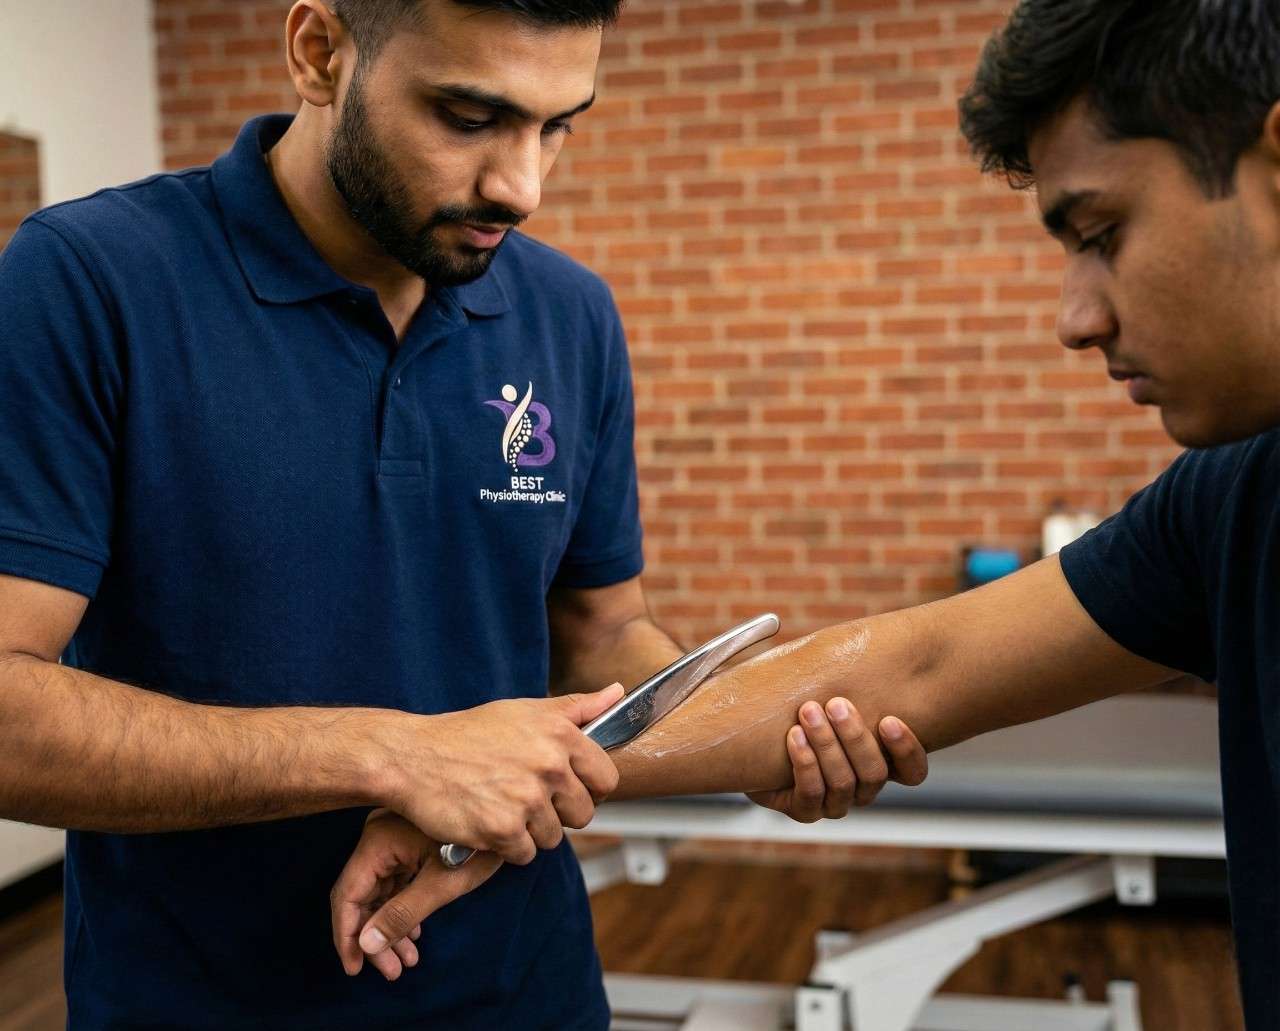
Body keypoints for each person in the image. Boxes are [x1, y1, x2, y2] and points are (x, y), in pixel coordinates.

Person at [341, 1, 1280, 1025]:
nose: (1072, 318)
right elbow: (909, 667)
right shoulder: (1229, 497)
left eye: (1100, 234)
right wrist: (469, 801)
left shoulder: (562, 315)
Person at [0, 0, 930, 1027]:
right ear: (319, 53)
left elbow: (600, 630)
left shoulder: (568, 314)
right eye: (467, 115)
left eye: (558, 124)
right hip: (196, 1000)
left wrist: (751, 732)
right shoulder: (88, 280)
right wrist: (389, 749)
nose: (520, 186)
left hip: (526, 988)